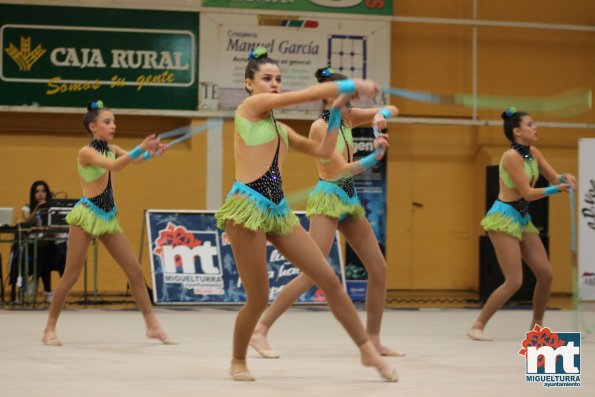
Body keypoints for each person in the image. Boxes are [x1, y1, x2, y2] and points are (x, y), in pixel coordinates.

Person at [214, 47, 397, 382]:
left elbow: (323, 151)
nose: (274, 84)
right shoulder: (249, 109)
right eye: (266, 78)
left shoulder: (281, 130)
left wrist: (341, 107)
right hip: (247, 210)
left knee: (328, 278)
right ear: (249, 84)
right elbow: (308, 94)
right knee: (257, 298)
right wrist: (348, 85)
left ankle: (367, 351)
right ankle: (238, 359)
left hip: (278, 212)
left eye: (278, 79)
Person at [250, 67, 402, 358]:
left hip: (348, 198)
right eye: (342, 93)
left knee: (379, 268)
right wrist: (375, 156)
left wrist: (383, 115)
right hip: (328, 198)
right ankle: (260, 330)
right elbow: (341, 169)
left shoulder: (350, 115)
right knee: (312, 272)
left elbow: (392, 106)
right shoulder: (321, 127)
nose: (349, 97)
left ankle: (373, 338)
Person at [42, 100, 174, 346]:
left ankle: (152, 325)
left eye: (113, 121)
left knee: (134, 271)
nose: (113, 125)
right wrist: (139, 148)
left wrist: (153, 152)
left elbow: (136, 160)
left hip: (107, 217)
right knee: (71, 275)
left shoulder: (111, 147)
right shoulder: (86, 152)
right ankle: (49, 328)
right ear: (93, 127)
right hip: (86, 215)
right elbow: (115, 166)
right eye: (107, 122)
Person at [467, 107, 577, 341]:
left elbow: (553, 177)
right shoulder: (511, 157)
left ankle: (536, 327)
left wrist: (564, 178)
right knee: (514, 281)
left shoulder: (533, 153)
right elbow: (526, 193)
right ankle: (478, 325)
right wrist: (556, 189)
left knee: (546, 274)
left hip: (522, 218)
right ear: (517, 131)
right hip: (504, 217)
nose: (535, 127)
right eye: (529, 124)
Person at [20, 180, 66, 303]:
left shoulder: (54, 207)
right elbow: (27, 222)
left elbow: (58, 225)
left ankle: (55, 291)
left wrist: (48, 208)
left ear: (47, 193)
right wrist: (37, 209)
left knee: (57, 253)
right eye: (37, 192)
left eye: (43, 191)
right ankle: (46, 289)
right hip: (33, 244)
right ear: (33, 194)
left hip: (50, 243)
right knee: (43, 251)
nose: (40, 194)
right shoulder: (27, 207)